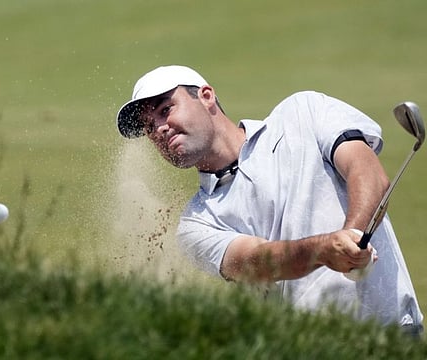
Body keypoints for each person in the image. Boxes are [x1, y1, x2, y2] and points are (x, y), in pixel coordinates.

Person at [116, 65, 423, 335]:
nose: (158, 128)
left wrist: (353, 235)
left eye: (165, 109)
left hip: (394, 337)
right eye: (148, 127)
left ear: (206, 96)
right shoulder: (196, 223)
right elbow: (260, 262)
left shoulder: (303, 112)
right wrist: (324, 250)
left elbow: (366, 170)